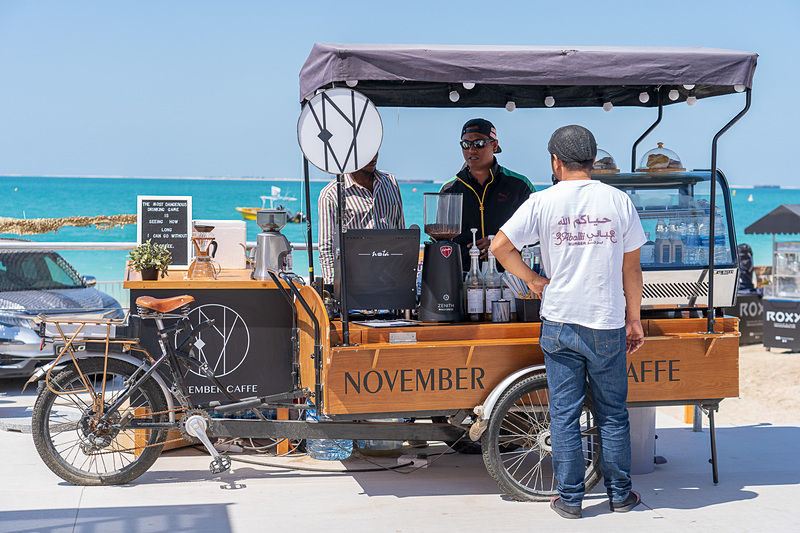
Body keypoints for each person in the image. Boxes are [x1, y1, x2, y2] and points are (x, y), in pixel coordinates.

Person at [491, 125, 646, 519]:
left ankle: (571, 499)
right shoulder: (618, 201)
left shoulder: (542, 201)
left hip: (559, 320)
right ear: (593, 161)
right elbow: (631, 268)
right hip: (606, 320)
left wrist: (533, 279)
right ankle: (620, 495)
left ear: (556, 162)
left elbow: (499, 247)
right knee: (613, 413)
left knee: (564, 414)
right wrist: (634, 318)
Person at [439, 118, 535, 271]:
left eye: (479, 143)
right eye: (466, 144)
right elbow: (439, 240)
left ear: (494, 145)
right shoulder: (449, 189)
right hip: (461, 275)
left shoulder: (520, 185)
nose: (471, 150)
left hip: (510, 276)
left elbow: (538, 231)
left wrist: (503, 242)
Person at [318, 153, 405, 283]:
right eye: (366, 151)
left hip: (390, 277)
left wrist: (404, 276)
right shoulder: (331, 194)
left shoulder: (390, 182)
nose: (372, 156)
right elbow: (327, 248)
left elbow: (401, 231)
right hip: (355, 280)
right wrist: (332, 287)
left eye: (375, 149)